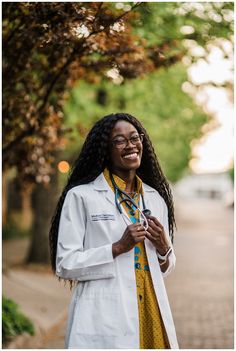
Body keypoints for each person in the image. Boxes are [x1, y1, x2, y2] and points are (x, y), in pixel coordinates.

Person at [49, 112, 178, 349]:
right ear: (105, 150)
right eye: (119, 140)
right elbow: (65, 264)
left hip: (150, 308)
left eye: (135, 138)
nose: (131, 146)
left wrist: (163, 249)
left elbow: (166, 267)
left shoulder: (154, 198)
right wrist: (117, 248)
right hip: (104, 313)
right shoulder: (82, 196)